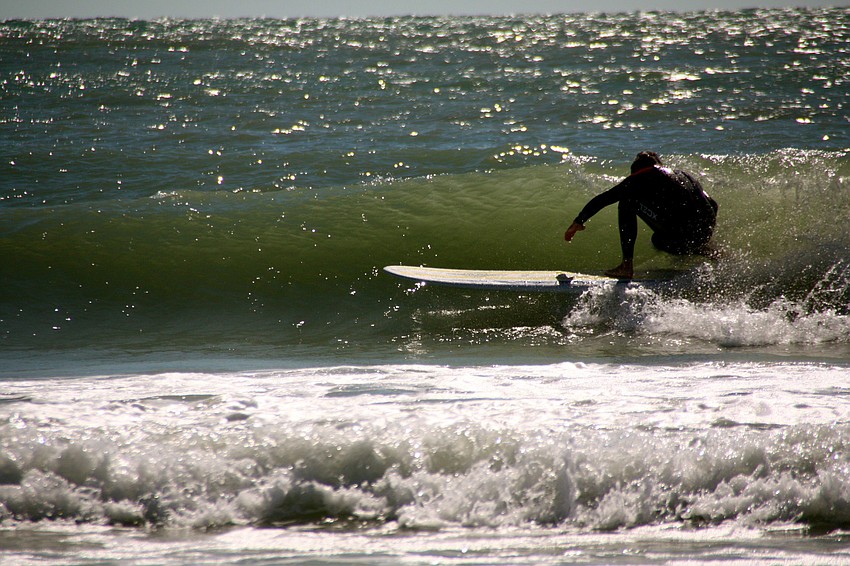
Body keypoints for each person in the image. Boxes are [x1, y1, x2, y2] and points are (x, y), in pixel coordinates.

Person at [564, 151, 718, 279]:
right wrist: (701, 233)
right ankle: (707, 249)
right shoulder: (683, 175)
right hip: (702, 233)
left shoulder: (639, 179)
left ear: (635, 170)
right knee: (683, 225)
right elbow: (712, 204)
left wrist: (579, 221)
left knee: (627, 203)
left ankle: (626, 265)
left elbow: (604, 199)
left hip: (677, 240)